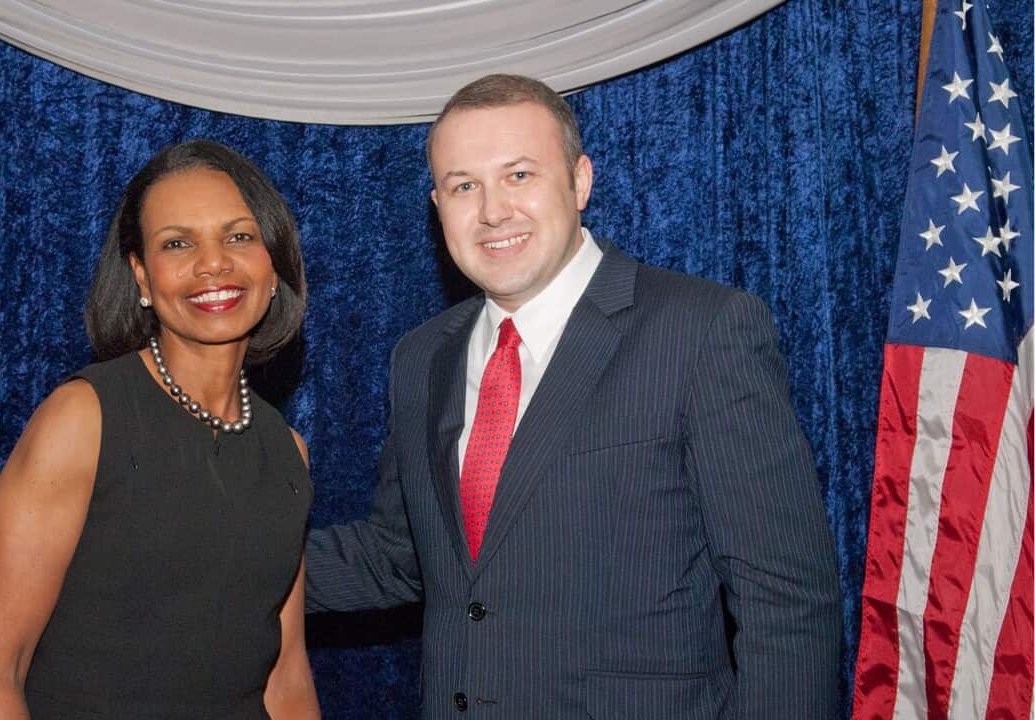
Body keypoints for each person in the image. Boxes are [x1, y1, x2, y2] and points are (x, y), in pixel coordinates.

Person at [306, 74, 842, 719]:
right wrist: (217, 566)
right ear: (437, 204)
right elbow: (401, 557)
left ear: (580, 181)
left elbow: (786, 601)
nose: (493, 211)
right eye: (464, 186)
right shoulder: (420, 358)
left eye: (519, 175)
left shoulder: (701, 331)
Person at [0, 141, 319, 719]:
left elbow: (286, 679)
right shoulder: (82, 420)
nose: (213, 264)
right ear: (142, 278)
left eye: (238, 237)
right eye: (178, 243)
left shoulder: (287, 452)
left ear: (273, 267)